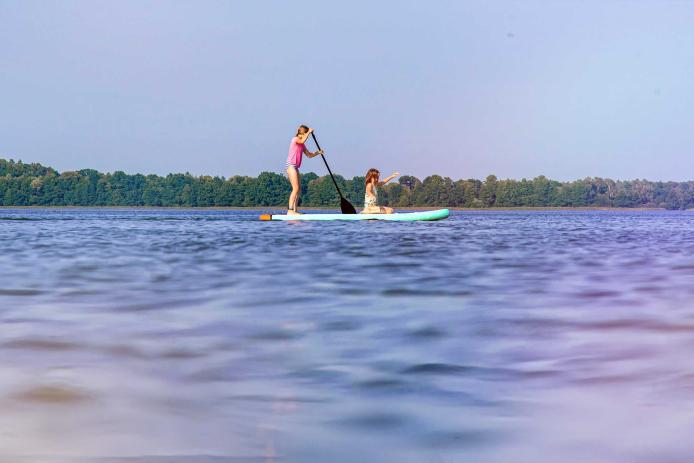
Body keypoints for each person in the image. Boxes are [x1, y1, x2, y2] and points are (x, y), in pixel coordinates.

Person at [286, 125, 323, 215]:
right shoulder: (295, 139)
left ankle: (295, 210)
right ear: (302, 133)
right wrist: (309, 132)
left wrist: (318, 152)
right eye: (305, 134)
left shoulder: (302, 145)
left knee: (299, 189)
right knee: (295, 188)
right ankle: (290, 211)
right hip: (290, 166)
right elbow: (302, 140)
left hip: (296, 167)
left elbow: (309, 155)